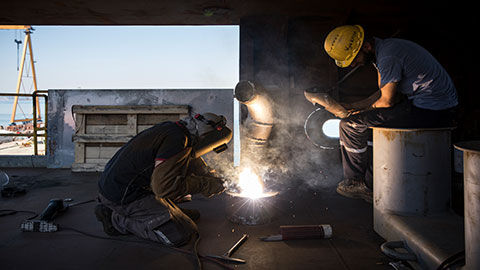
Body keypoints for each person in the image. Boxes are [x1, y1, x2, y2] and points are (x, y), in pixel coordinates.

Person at [322, 25, 458, 203]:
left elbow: (387, 102)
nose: (354, 64)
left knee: (350, 126)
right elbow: (381, 93)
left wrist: (358, 114)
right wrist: (352, 107)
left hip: (433, 111)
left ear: (365, 46)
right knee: (360, 121)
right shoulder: (385, 50)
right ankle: (371, 182)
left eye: (353, 59)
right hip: (431, 105)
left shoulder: (388, 56)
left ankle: (361, 184)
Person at [95, 112, 232, 246]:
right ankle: (116, 219)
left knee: (185, 213)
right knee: (182, 233)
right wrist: (206, 185)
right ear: (205, 136)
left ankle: (166, 215)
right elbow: (164, 188)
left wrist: (210, 174)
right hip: (124, 195)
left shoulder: (175, 130)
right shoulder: (177, 141)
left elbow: (189, 159)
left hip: (119, 184)